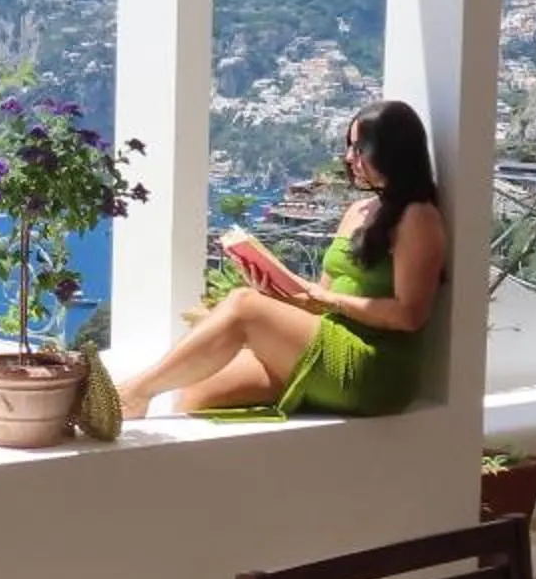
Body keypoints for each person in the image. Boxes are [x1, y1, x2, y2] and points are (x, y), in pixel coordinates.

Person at [118, 99, 446, 418]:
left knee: (243, 305)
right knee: (198, 393)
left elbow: (410, 315)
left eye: (360, 148)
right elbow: (320, 298)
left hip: (375, 365)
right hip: (328, 337)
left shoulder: (418, 217)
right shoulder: (357, 212)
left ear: (392, 152)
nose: (348, 158)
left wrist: (330, 301)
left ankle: (133, 394)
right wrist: (273, 285)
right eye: (349, 147)